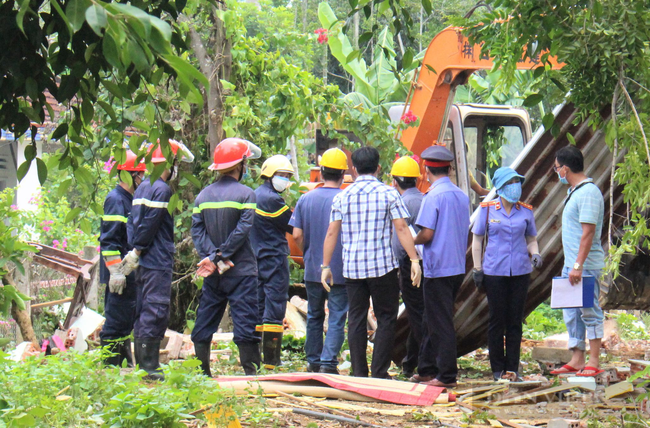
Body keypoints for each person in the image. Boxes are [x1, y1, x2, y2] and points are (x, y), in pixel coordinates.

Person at [322, 146, 422, 379]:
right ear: (378, 168)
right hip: (383, 268)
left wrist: (325, 266)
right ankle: (379, 372)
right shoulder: (389, 194)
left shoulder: (342, 196)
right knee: (386, 318)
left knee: (355, 318)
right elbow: (401, 228)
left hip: (353, 269)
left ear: (354, 170)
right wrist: (414, 259)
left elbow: (331, 233)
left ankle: (359, 372)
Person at [123, 139, 194, 380]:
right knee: (155, 310)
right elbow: (150, 225)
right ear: (169, 162)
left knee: (144, 309)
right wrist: (139, 250)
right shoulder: (161, 189)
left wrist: (135, 251)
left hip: (144, 262)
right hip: (155, 261)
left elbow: (133, 223)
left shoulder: (142, 187)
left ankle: (145, 366)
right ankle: (150, 369)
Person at [191, 138, 263, 377]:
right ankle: (252, 377)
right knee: (245, 321)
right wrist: (221, 256)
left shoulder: (202, 197)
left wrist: (212, 259)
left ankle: (202, 375)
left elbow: (197, 232)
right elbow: (242, 231)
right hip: (240, 270)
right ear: (241, 164)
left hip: (214, 272)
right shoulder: (247, 194)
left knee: (206, 318)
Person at [471, 167, 542, 381]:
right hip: (495, 272)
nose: (515, 187)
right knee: (496, 320)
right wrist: (477, 269)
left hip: (520, 272)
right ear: (501, 187)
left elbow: (531, 239)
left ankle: (512, 368)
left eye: (517, 182)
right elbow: (477, 240)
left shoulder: (526, 211)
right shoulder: (488, 209)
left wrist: (536, 254)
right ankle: (497, 369)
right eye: (511, 182)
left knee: (515, 321)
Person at [413, 145, 470, 388]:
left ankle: (446, 374)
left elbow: (426, 233)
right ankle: (426, 368)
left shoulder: (433, 196)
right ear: (448, 168)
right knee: (431, 318)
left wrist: (409, 241)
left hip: (437, 267)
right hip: (456, 266)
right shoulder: (461, 195)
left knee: (440, 321)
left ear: (427, 170)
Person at [290, 148, 349, 374]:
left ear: (321, 172)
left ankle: (313, 361)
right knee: (336, 316)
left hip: (314, 269)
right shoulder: (345, 198)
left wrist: (309, 253)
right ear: (343, 174)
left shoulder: (306, 198)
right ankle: (328, 363)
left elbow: (296, 234)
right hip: (339, 271)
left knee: (314, 315)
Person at [550, 146, 605, 377]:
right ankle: (577, 357)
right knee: (572, 312)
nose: (556, 172)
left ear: (565, 168)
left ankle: (593, 360)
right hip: (572, 265)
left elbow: (588, 232)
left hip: (584, 266)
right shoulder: (574, 191)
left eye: (556, 168)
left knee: (589, 310)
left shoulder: (588, 193)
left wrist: (578, 266)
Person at [99, 150, 146, 367]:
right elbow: (109, 240)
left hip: (128, 272)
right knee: (115, 324)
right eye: (140, 175)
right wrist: (116, 272)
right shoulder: (116, 199)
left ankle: (124, 366)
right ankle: (109, 369)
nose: (142, 179)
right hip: (119, 275)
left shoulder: (131, 199)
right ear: (130, 175)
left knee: (125, 322)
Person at [250, 154, 295, 368]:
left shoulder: (254, 195)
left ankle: (256, 357)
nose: (285, 180)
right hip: (274, 258)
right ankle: (271, 360)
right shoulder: (273, 200)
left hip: (255, 258)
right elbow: (293, 226)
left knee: (258, 306)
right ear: (270, 175)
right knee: (275, 305)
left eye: (287, 176)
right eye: (283, 176)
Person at [389, 156, 425, 378]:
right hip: (427, 263)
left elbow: (399, 241)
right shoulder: (425, 199)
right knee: (417, 313)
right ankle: (410, 362)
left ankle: (425, 363)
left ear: (395, 181)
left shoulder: (401, 204)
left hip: (409, 264)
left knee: (417, 315)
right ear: (417, 180)